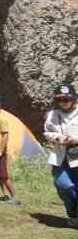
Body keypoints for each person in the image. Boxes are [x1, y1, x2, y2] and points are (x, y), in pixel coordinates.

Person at [41, 83, 78, 226]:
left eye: (67, 99)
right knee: (63, 185)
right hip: (61, 156)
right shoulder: (52, 114)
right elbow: (47, 132)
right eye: (60, 99)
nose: (63, 102)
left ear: (74, 98)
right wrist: (58, 138)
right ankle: (72, 212)